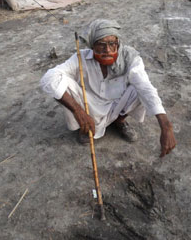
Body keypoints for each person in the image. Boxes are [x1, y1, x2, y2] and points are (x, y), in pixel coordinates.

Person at [40, 19, 177, 157]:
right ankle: (85, 126)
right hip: (89, 106)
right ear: (93, 46)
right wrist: (78, 111)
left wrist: (166, 125)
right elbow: (48, 78)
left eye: (112, 44)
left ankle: (119, 122)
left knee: (139, 88)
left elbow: (145, 86)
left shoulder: (129, 57)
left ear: (118, 43)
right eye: (101, 45)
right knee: (60, 83)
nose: (108, 50)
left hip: (116, 105)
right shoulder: (80, 57)